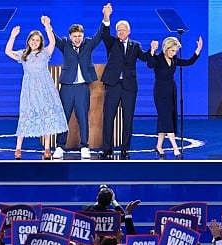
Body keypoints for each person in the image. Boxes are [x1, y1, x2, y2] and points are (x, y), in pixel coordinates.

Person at [5, 16, 68, 160]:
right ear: (28, 41)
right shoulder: (23, 54)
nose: (34, 42)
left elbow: (52, 41)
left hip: (45, 89)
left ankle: (47, 149)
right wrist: (12, 36)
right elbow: (8, 51)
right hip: (29, 91)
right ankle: (18, 148)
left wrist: (47, 26)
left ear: (40, 42)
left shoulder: (45, 53)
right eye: (32, 40)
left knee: (45, 116)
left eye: (37, 40)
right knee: (26, 115)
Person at [51, 5, 110, 159]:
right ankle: (60, 146)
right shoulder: (64, 44)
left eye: (79, 36)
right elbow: (54, 38)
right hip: (67, 87)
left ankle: (85, 146)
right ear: (70, 36)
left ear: (83, 36)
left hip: (83, 87)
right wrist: (47, 26)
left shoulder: (89, 44)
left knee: (83, 116)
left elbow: (100, 34)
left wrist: (105, 17)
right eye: (75, 36)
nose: (77, 39)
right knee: (64, 117)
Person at [98, 3, 150, 160]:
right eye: (118, 30)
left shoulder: (136, 46)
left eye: (123, 30)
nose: (121, 32)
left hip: (129, 87)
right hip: (113, 84)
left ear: (129, 31)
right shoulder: (112, 42)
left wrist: (152, 51)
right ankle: (107, 150)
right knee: (108, 117)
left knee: (128, 118)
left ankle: (124, 149)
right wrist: (106, 16)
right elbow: (104, 33)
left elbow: (145, 58)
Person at [147, 36, 203, 158]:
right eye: (172, 50)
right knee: (166, 118)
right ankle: (175, 147)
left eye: (176, 51)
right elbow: (150, 64)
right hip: (160, 93)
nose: (174, 53)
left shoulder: (174, 59)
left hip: (171, 91)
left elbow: (189, 62)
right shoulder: (158, 59)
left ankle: (158, 146)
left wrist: (197, 50)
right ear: (166, 48)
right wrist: (152, 50)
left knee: (166, 118)